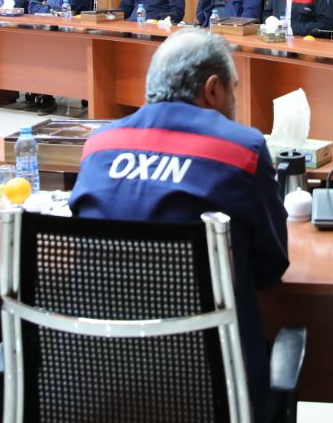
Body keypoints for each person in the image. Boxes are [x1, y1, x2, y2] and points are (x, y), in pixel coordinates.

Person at [69, 29, 288, 416]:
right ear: (213, 89)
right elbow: (270, 266)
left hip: (100, 380)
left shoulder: (99, 146)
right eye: (234, 89)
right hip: (214, 385)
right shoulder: (242, 149)